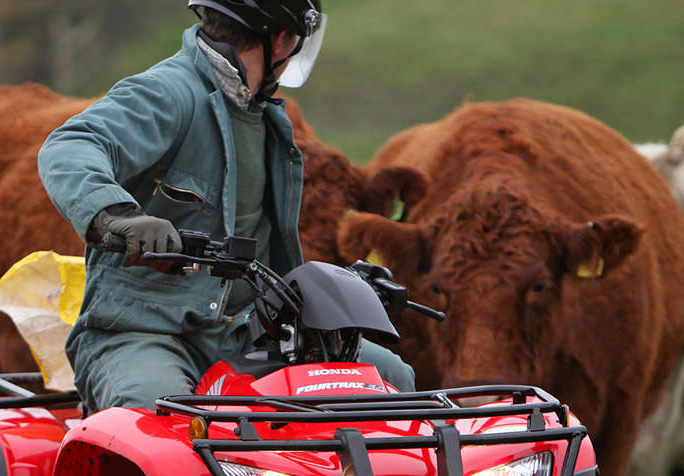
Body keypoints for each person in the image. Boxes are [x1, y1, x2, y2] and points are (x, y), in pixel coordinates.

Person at [38, 0, 414, 411]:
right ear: (280, 39)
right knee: (155, 416)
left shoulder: (264, 115)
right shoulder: (167, 92)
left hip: (247, 332)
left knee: (389, 380)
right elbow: (70, 145)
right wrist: (117, 216)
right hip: (141, 332)